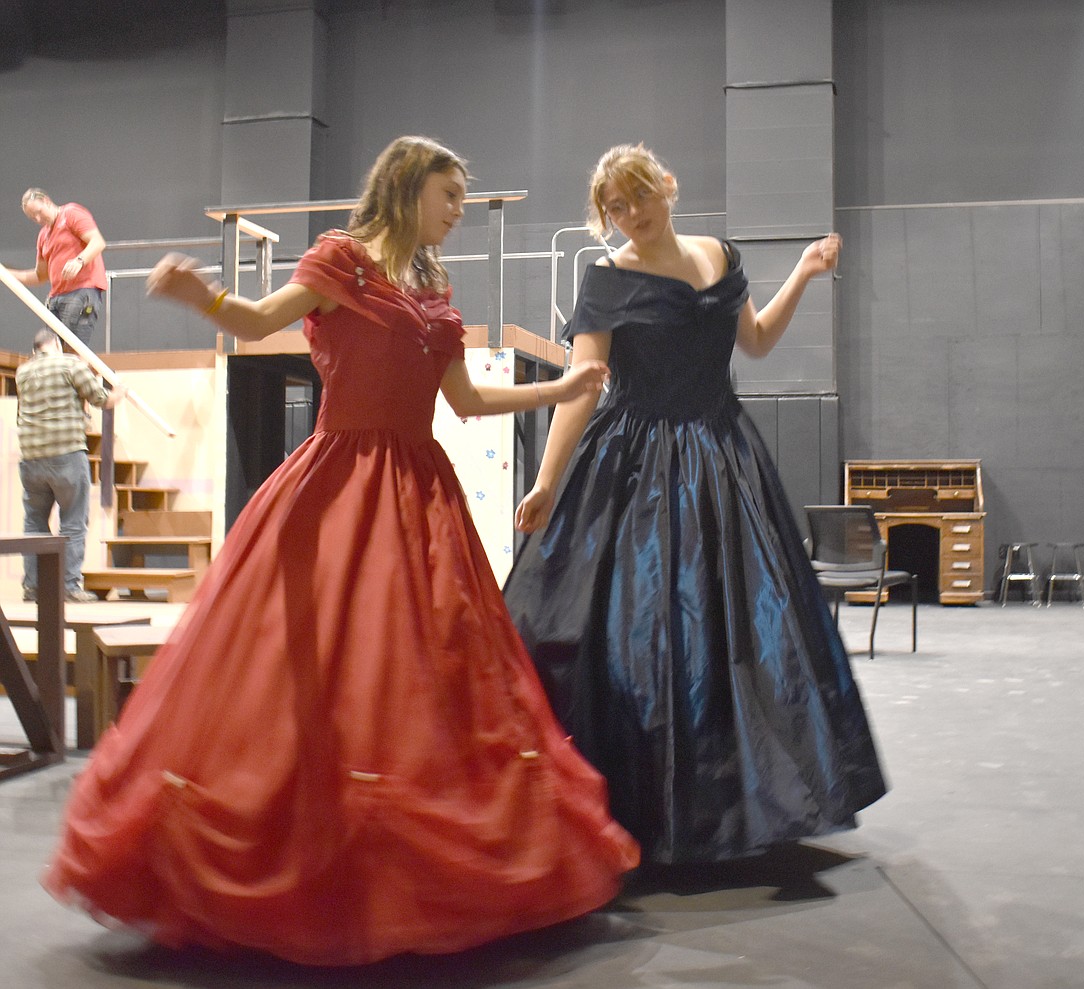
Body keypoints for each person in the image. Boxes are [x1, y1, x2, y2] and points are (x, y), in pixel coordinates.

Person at [43, 135, 638, 966]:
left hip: (421, 493)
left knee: (423, 668)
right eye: (449, 196)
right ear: (407, 189)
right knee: (315, 667)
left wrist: (560, 387)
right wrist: (202, 293)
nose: (458, 212)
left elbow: (463, 400)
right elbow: (257, 321)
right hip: (340, 480)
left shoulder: (435, 288)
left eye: (461, 200)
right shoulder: (342, 261)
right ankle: (304, 844)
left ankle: (419, 846)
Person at [503, 143, 887, 868]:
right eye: (613, 207)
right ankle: (640, 806)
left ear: (665, 187)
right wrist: (549, 480)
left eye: (637, 195)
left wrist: (803, 273)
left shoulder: (720, 255)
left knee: (737, 628)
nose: (629, 215)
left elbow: (759, 341)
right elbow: (584, 386)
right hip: (636, 466)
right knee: (639, 631)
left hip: (722, 458)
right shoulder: (606, 280)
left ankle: (731, 802)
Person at [16, 328, 126, 603]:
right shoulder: (71, 364)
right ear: (57, 344)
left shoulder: (23, 372)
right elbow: (102, 400)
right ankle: (69, 586)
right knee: (73, 523)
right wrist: (120, 390)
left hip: (31, 458)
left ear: (35, 349)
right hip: (66, 454)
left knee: (34, 524)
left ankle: (33, 586)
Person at [12, 189, 108, 349]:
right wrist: (8, 274)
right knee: (53, 351)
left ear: (47, 201)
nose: (37, 218)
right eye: (32, 217)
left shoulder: (71, 213)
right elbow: (39, 276)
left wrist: (79, 261)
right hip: (56, 299)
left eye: (39, 212)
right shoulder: (43, 236)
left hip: (81, 291)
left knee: (74, 349)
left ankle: (88, 372)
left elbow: (98, 242)